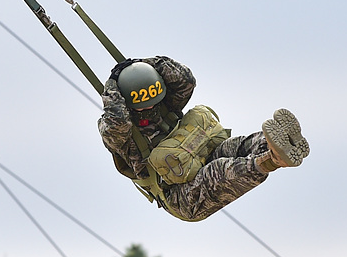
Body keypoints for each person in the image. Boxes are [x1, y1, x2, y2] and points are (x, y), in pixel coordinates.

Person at [98, 56, 309, 222]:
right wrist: (112, 86)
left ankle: (279, 144)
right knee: (219, 170)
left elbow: (185, 79)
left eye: (154, 99)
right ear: (126, 103)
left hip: (198, 158)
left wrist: (145, 64)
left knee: (236, 146)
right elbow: (117, 122)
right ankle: (272, 160)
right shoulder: (122, 135)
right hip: (180, 196)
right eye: (143, 104)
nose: (150, 107)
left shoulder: (165, 105)